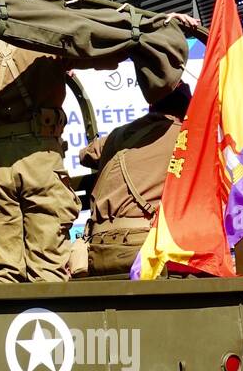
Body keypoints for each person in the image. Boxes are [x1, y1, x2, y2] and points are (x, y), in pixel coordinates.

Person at [78, 83, 191, 274]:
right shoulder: (186, 138)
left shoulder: (119, 135)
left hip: (97, 250)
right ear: (187, 110)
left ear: (151, 106)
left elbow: (86, 155)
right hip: (144, 253)